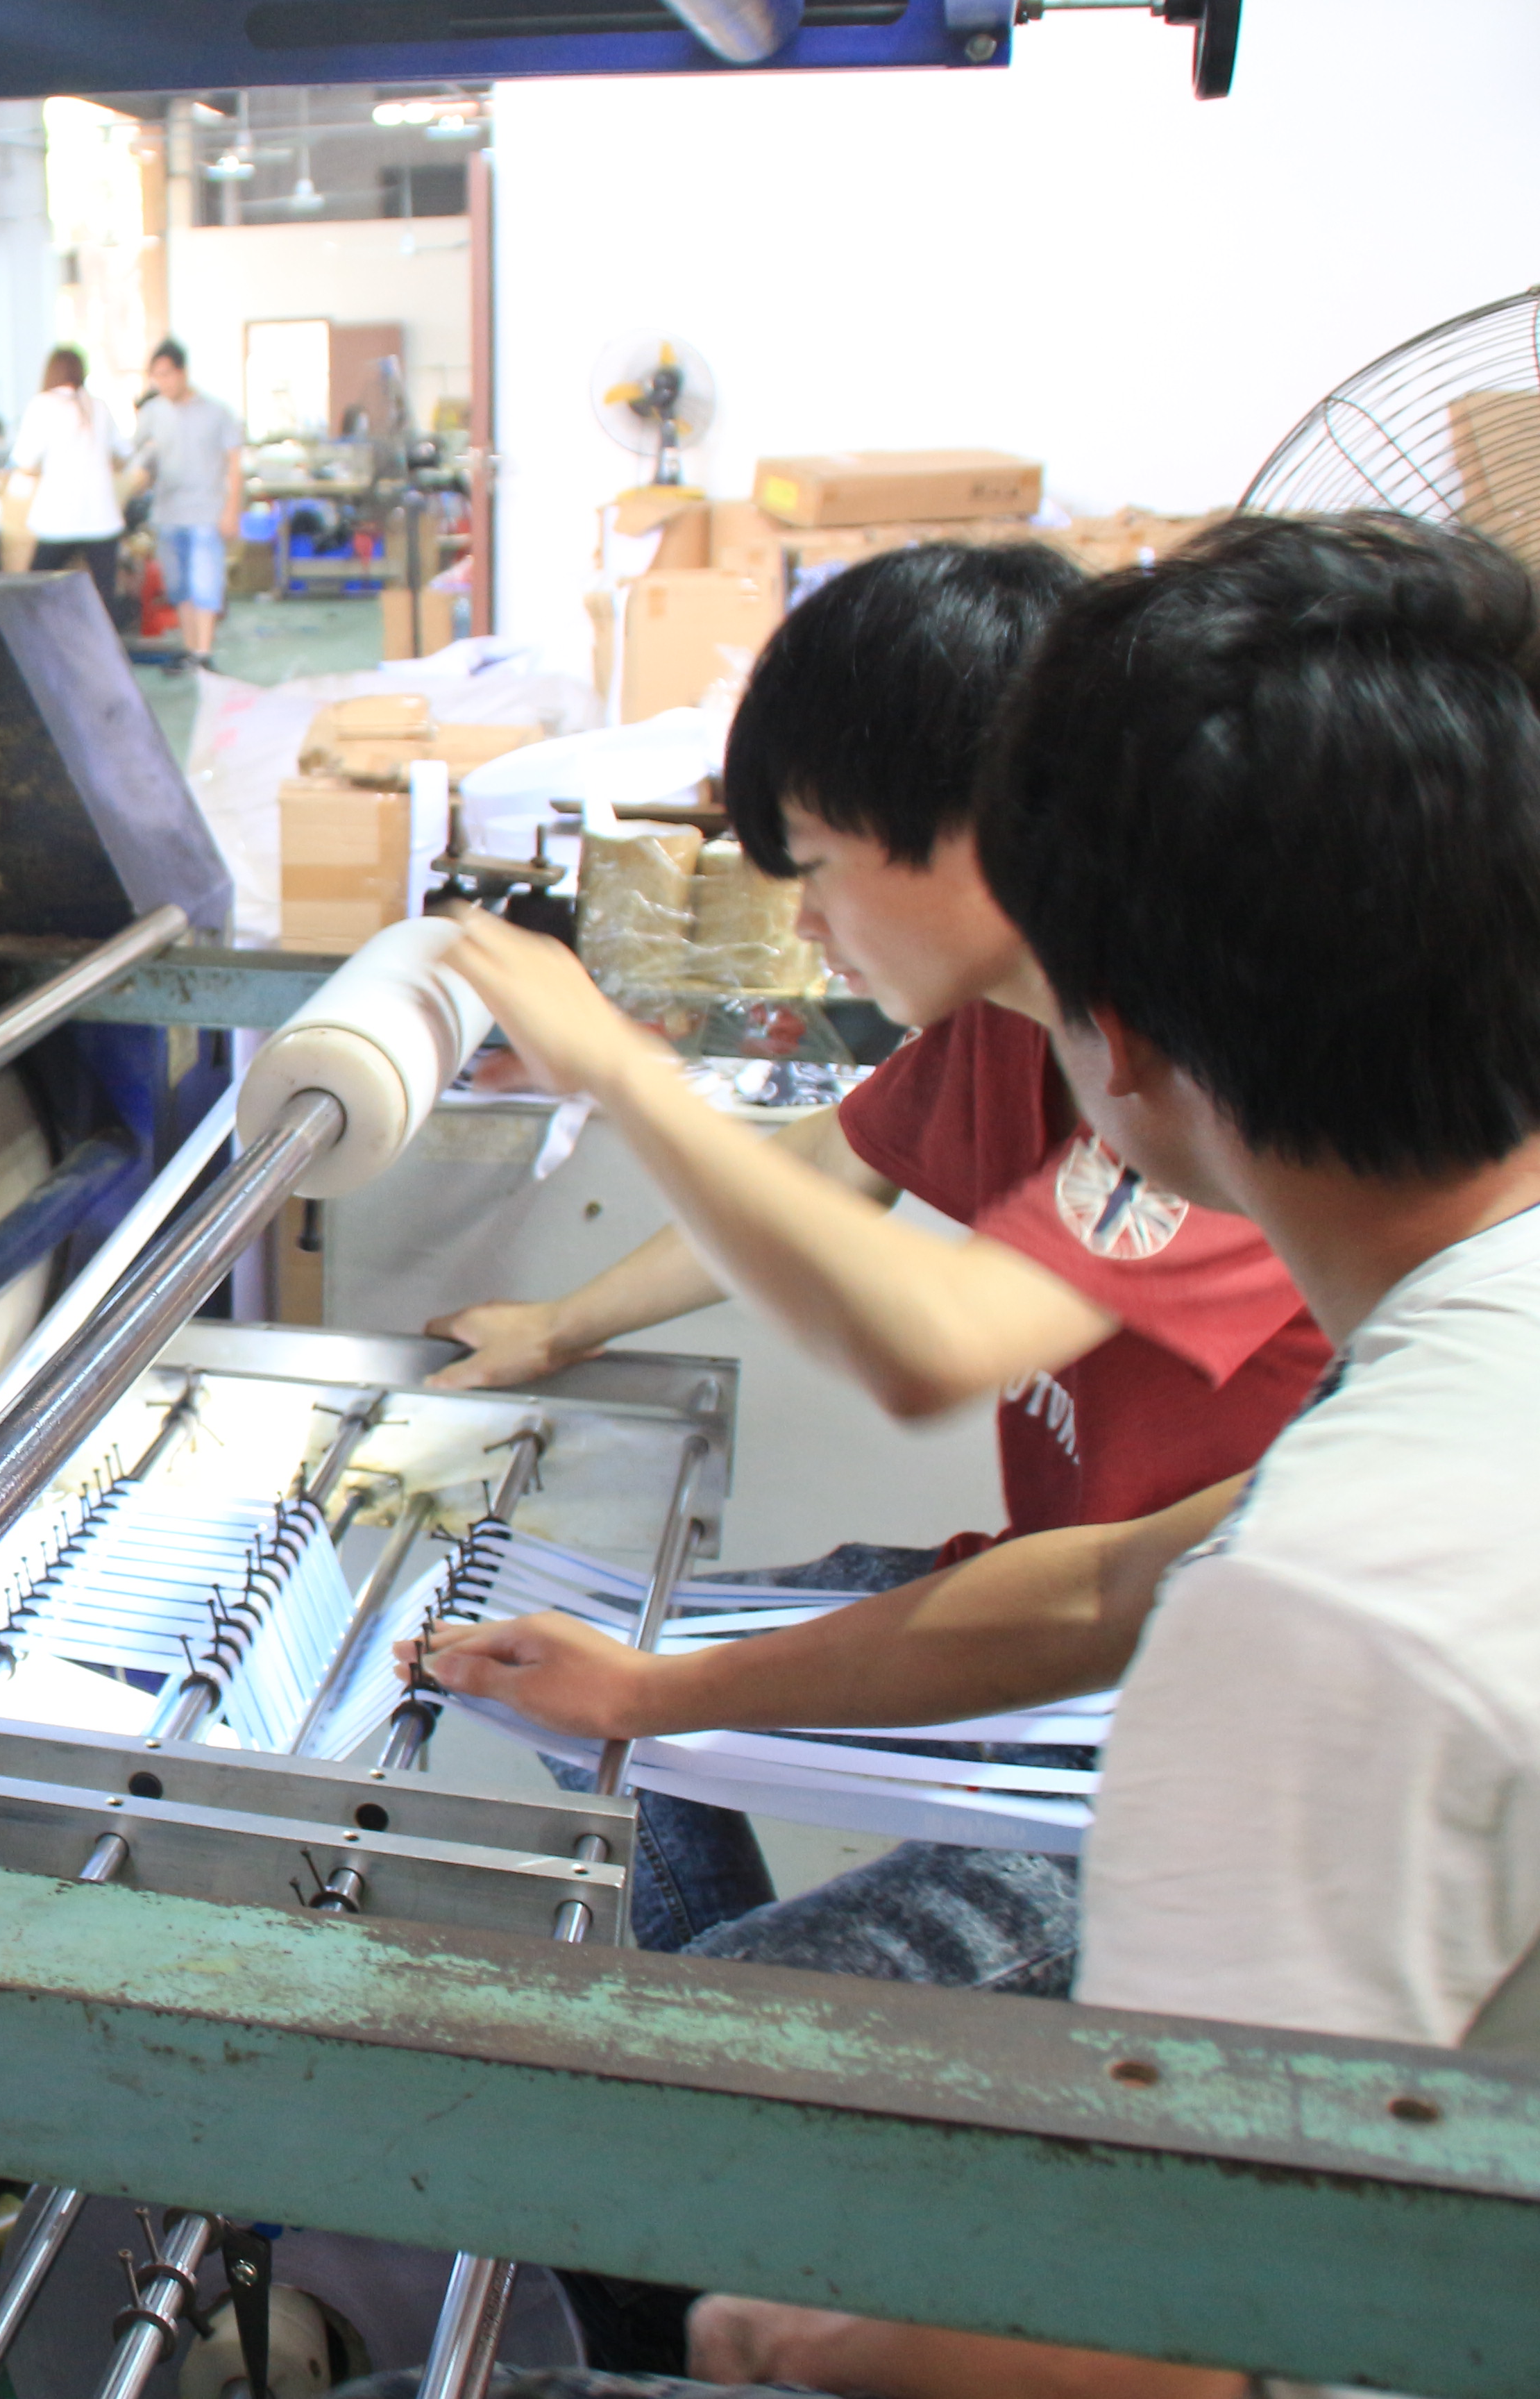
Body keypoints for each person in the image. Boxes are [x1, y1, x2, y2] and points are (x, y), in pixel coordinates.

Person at [371, 513, 1540, 2399]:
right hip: (1138, 1688)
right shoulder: (1464, 1348)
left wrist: (804, 2338)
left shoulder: (1316, 1619)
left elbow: (1194, 2345)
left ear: (1118, 1031)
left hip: (1158, 1813)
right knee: (660, 1792)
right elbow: (1108, 1575)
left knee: (614, 2099)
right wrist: (654, 1678)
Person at [421, 542, 1332, 1968]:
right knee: (550, 1672)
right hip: (1078, 1592)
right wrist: (560, 1326)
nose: (802, 920)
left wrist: (616, 1069)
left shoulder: (1205, 1083)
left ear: (977, 827)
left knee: (716, 2021)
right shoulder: (1006, 1023)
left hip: (1199, 1732)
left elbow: (939, 1345)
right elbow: (830, 1165)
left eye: (818, 864)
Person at [136, 338, 246, 671]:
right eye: (156, 376)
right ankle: (190, 650)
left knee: (205, 585)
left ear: (182, 373)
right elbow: (136, 458)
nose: (162, 383)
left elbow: (235, 465)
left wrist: (232, 510)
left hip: (206, 512)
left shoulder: (216, 413)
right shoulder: (152, 413)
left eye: (166, 375)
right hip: (168, 512)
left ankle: (204, 651)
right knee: (179, 586)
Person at [8, 346, 126, 610]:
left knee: (36, 593)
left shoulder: (43, 404)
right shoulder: (99, 406)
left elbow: (25, 461)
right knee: (104, 600)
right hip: (102, 517)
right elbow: (122, 454)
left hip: (59, 516)